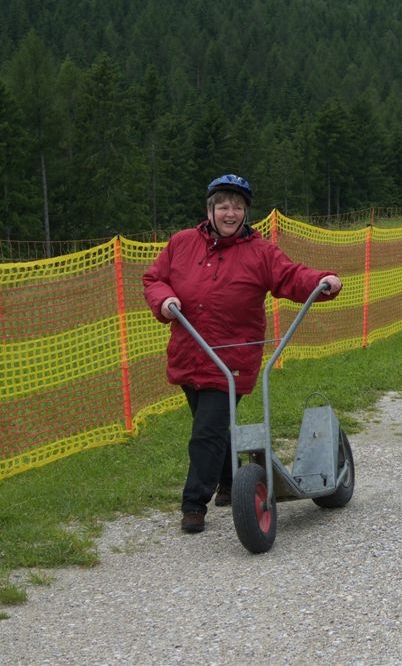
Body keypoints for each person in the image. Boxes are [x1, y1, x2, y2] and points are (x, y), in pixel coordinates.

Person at [143, 174, 343, 534]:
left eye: (237, 207)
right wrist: (164, 300)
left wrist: (321, 281)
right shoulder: (181, 243)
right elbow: (154, 279)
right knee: (213, 427)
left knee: (206, 432)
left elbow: (289, 276)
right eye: (223, 206)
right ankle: (229, 482)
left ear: (246, 213)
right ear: (210, 210)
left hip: (231, 359)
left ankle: (193, 505)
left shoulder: (260, 252)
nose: (230, 213)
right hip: (189, 352)